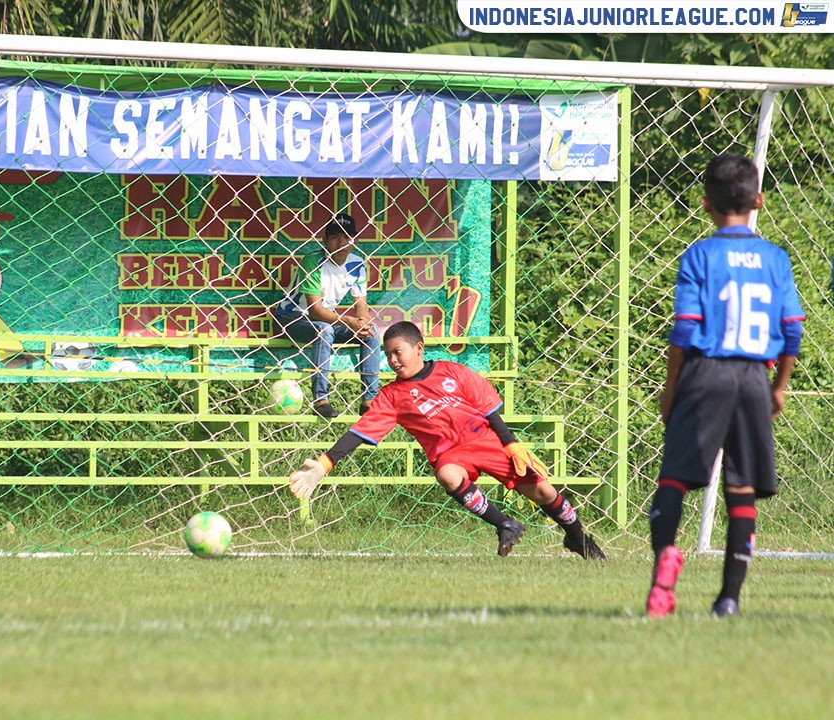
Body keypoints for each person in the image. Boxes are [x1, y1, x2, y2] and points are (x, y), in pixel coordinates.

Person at [288, 320, 606, 560]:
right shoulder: (392, 396)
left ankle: (577, 538)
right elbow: (358, 432)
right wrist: (323, 465)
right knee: (447, 475)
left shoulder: (451, 371)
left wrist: (509, 442)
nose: (393, 360)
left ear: (419, 349)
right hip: (451, 454)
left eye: (398, 352)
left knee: (543, 491)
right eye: (387, 356)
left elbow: (487, 406)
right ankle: (505, 524)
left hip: (486, 440)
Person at [646, 153, 804, 619]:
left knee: (674, 476)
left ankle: (664, 571)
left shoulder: (699, 255)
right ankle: (729, 599)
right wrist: (779, 386)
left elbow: (684, 327)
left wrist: (671, 386)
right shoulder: (775, 258)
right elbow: (792, 328)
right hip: (754, 377)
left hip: (705, 372)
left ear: (704, 205)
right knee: (742, 488)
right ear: (758, 200)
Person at [273, 212, 380, 419]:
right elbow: (315, 310)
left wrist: (363, 322)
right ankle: (320, 399)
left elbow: (361, 305)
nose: (341, 242)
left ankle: (369, 400)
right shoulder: (313, 261)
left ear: (353, 240)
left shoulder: (357, 263)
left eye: (346, 237)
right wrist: (349, 321)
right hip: (291, 318)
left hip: (327, 322)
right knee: (324, 329)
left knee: (372, 331)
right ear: (325, 240)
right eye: (335, 237)